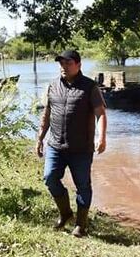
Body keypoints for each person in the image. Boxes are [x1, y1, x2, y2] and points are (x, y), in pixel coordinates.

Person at [35, 50, 107, 237]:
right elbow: (47, 114)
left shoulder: (90, 87)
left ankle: (81, 225)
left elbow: (100, 113)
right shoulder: (52, 86)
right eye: (61, 63)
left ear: (78, 65)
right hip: (55, 146)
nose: (64, 67)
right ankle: (66, 213)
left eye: (68, 63)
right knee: (50, 177)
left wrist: (102, 137)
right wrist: (40, 138)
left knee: (83, 185)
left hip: (81, 149)